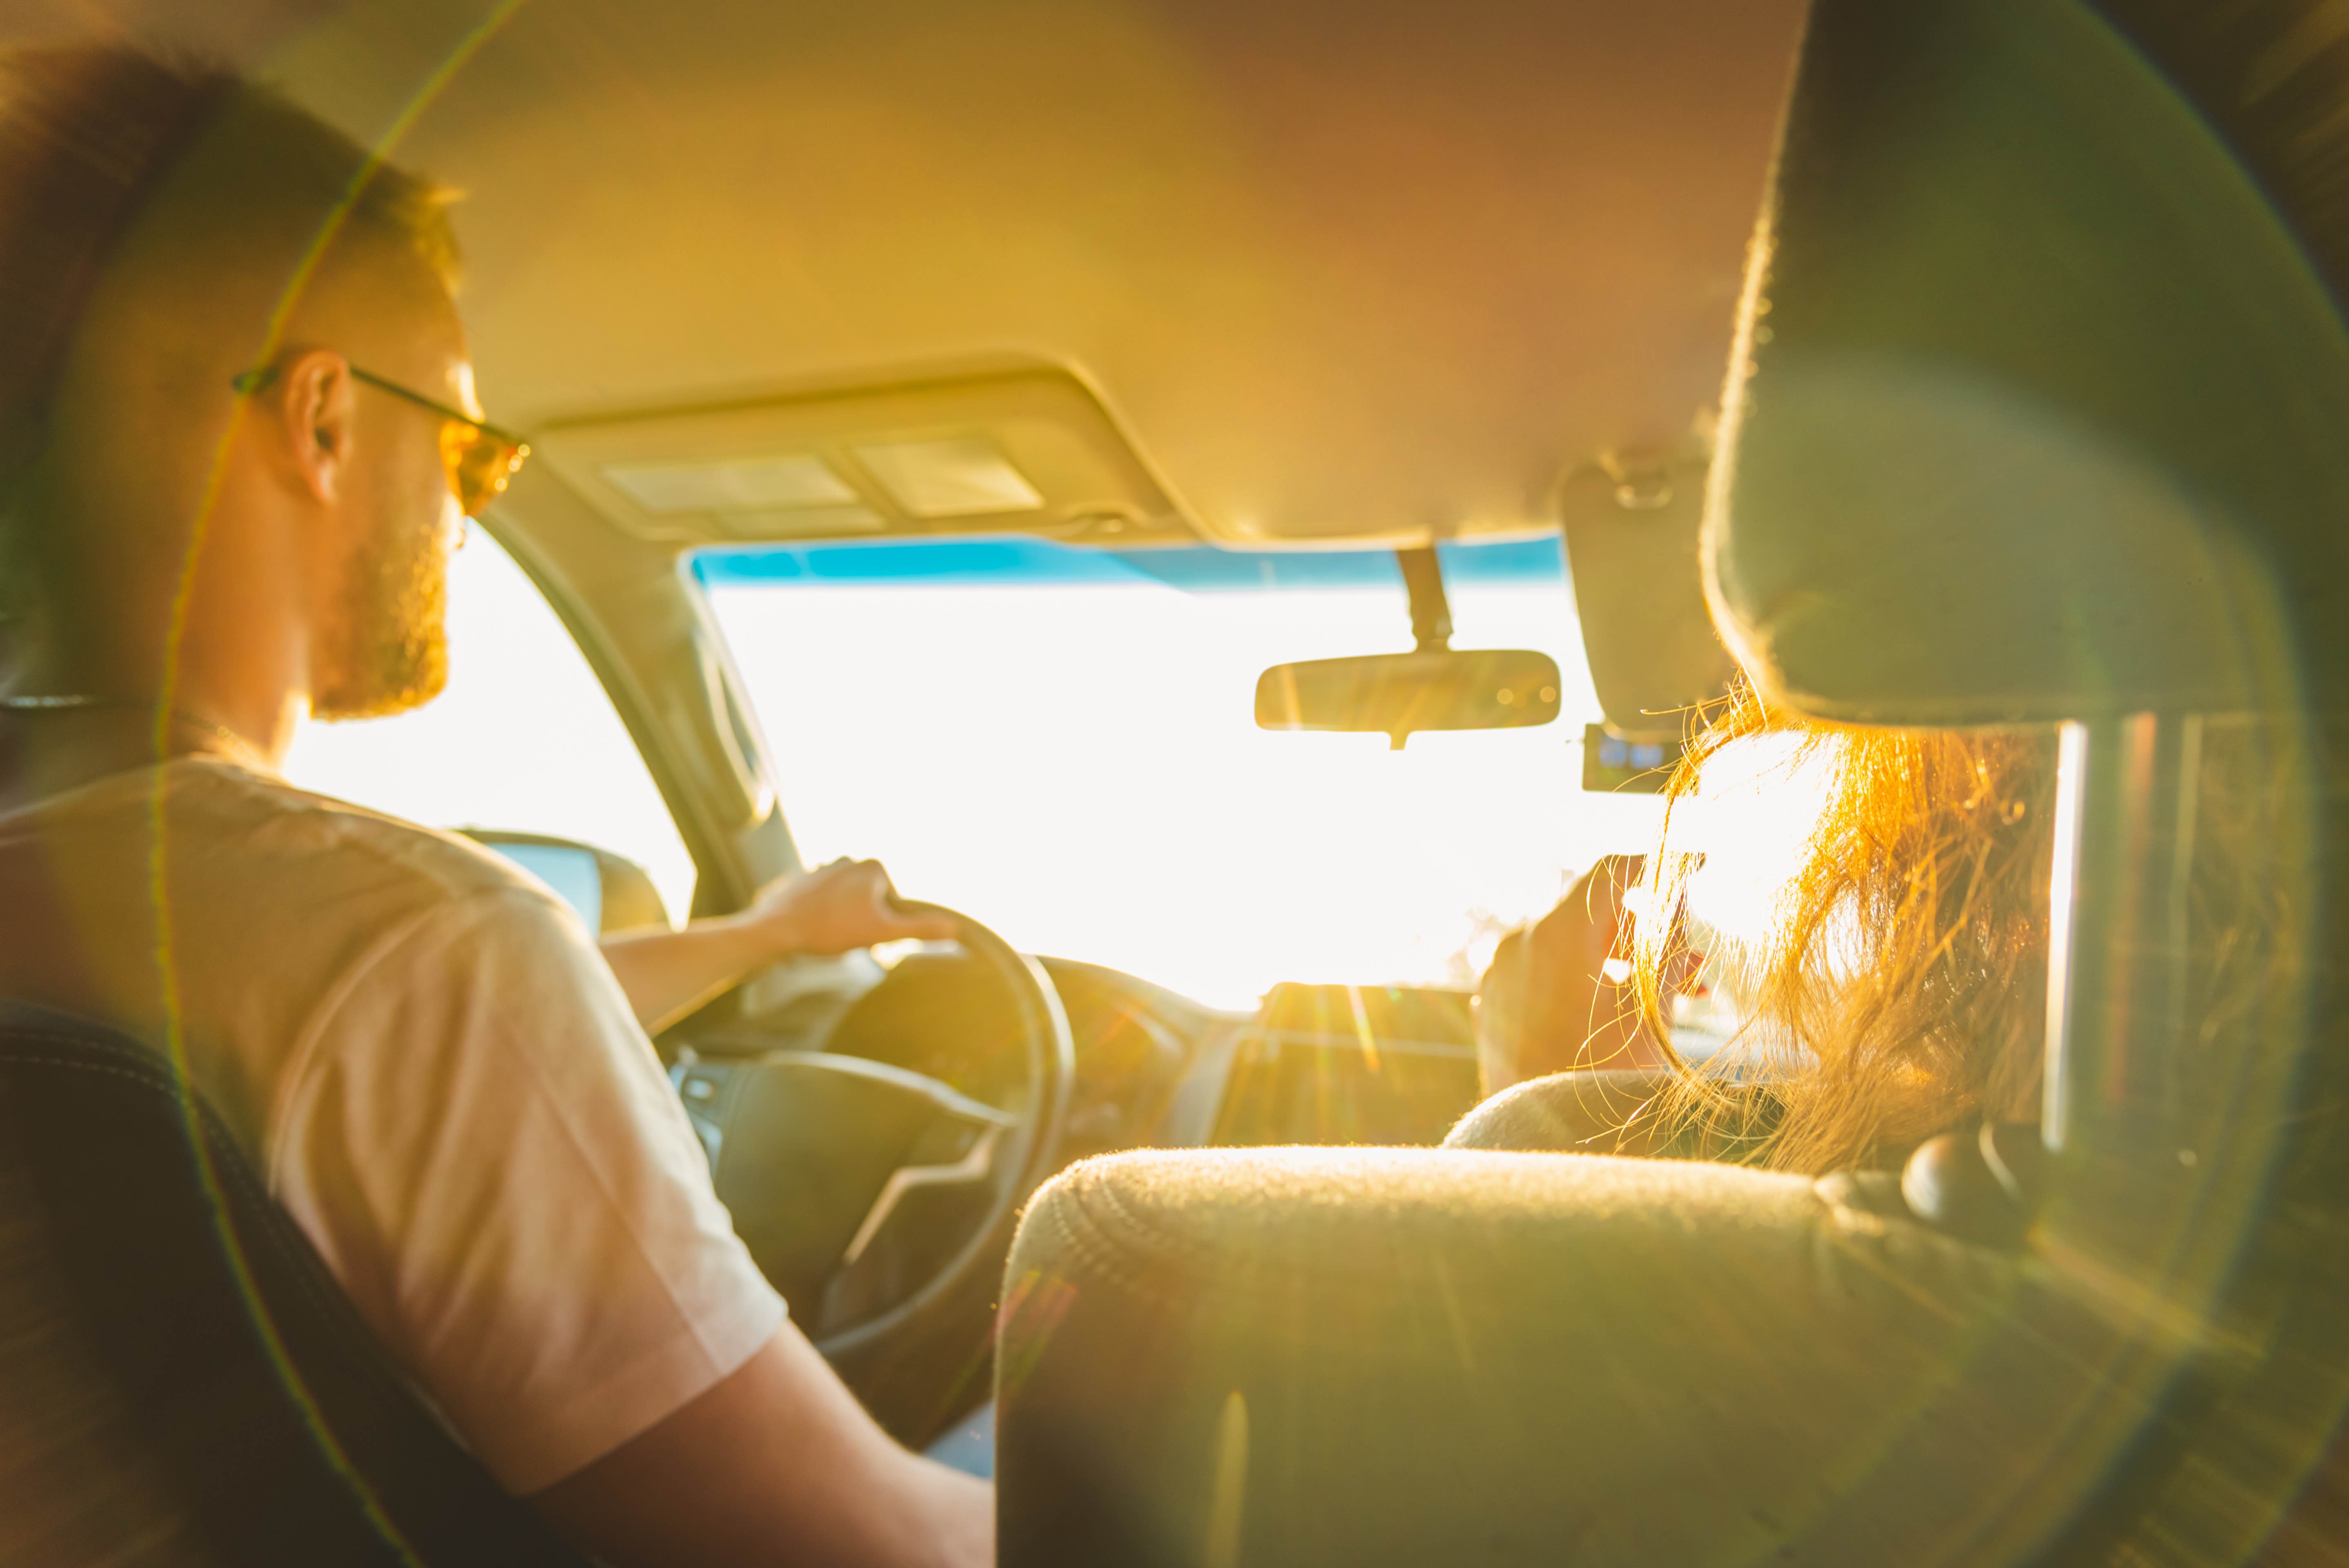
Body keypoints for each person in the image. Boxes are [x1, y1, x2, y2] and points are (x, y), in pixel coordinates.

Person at [0, 45, 988, 1568]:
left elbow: (348, 1066)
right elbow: (873, 1550)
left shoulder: (134, 895)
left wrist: (761, 936)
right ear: (321, 419)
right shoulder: (420, 939)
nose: (473, 506)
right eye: (469, 439)